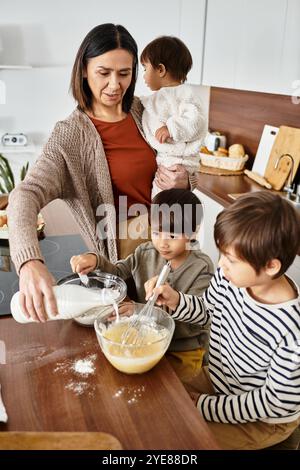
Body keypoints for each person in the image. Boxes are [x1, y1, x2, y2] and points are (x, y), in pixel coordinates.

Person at [7, 24, 193, 323]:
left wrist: (186, 180)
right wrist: (29, 261)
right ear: (83, 70)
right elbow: (25, 195)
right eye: (103, 73)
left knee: (181, 339)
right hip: (125, 265)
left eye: (124, 73)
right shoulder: (69, 136)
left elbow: (180, 154)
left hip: (172, 248)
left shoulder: (143, 111)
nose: (114, 85)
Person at [144, 191, 300, 450]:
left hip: (262, 418)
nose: (222, 265)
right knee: (157, 404)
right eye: (222, 255)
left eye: (231, 259)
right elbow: (207, 310)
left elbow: (274, 401)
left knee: (181, 440)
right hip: (219, 380)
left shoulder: (292, 331)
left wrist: (205, 406)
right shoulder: (231, 277)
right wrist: (175, 300)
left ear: (271, 266)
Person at [70, 188, 214, 381]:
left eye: (172, 236)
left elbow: (195, 319)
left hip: (182, 350)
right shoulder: (145, 252)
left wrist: (140, 310)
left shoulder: (201, 268)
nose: (162, 243)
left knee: (173, 393)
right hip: (141, 337)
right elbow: (119, 273)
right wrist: (97, 261)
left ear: (193, 232)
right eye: (156, 232)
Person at [140, 36, 207, 197]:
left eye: (145, 69)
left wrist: (171, 128)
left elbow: (195, 121)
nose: (143, 76)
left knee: (168, 208)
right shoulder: (155, 98)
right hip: (165, 162)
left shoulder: (184, 94)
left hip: (179, 162)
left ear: (161, 70)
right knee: (160, 206)